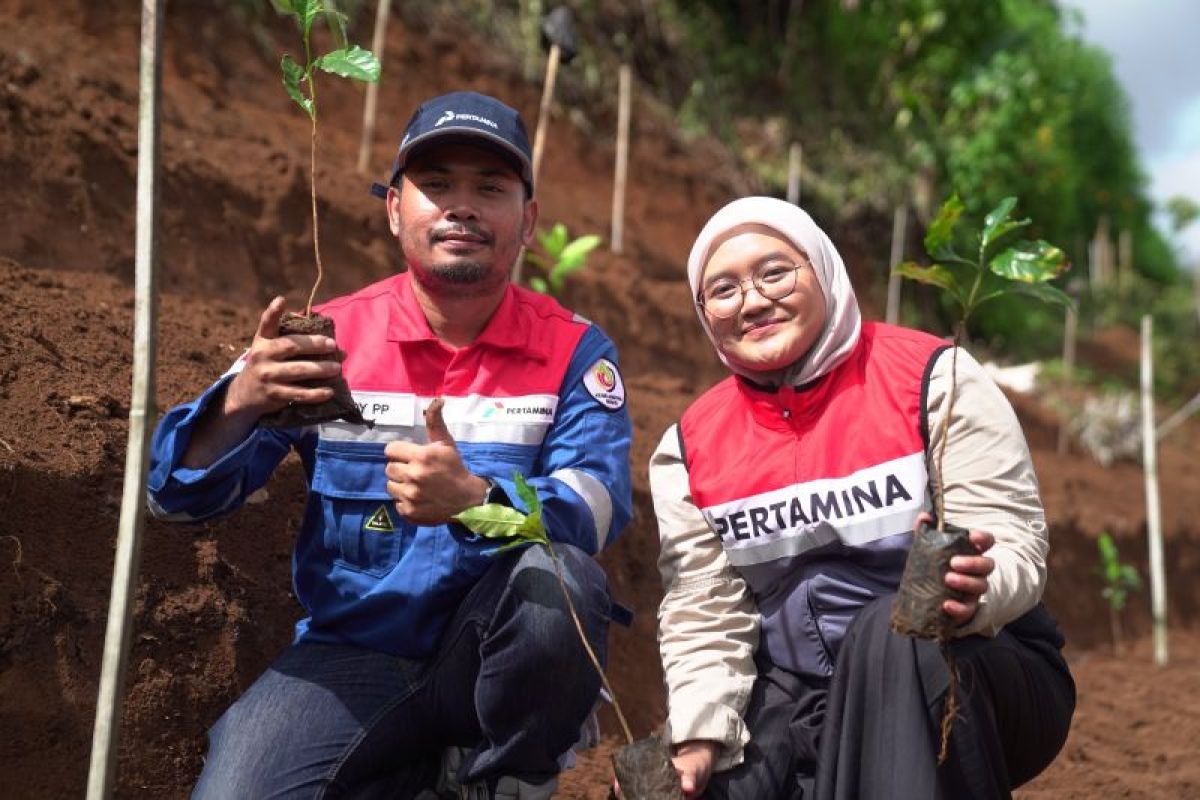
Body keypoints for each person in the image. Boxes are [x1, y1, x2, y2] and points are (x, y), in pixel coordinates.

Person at [147, 91, 633, 800]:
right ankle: (414, 774)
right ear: (395, 209)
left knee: (562, 579)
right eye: (436, 185)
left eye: (489, 189)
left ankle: (504, 778)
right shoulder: (326, 339)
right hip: (355, 654)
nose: (461, 207)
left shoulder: (574, 350)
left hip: (493, 657)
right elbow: (173, 498)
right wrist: (242, 401)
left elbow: (596, 505)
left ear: (527, 220)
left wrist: (478, 500)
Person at [649, 197, 1075, 799]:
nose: (753, 301)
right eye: (723, 290)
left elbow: (1011, 538)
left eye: (775, 273)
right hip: (802, 692)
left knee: (890, 630)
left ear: (823, 268)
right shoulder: (690, 448)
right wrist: (698, 731)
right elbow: (705, 609)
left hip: (968, 664)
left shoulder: (935, 379)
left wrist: (971, 592)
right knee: (684, 783)